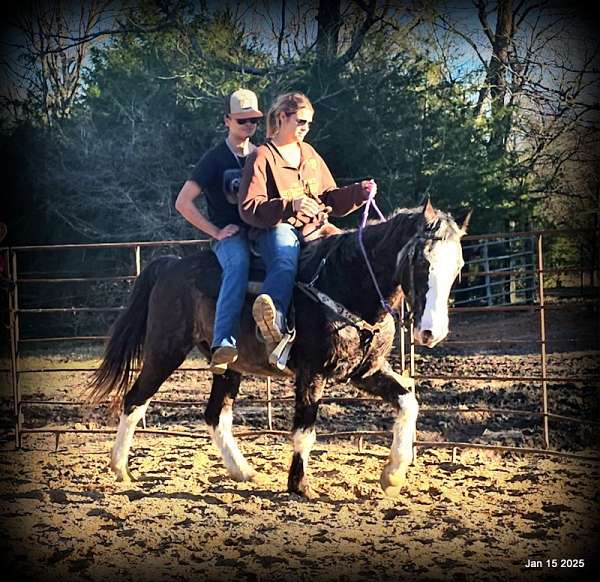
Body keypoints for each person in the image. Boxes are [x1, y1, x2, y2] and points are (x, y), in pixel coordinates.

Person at [238, 91, 377, 357]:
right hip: (276, 228)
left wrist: (358, 192)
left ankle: (357, 322)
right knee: (285, 256)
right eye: (301, 121)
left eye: (309, 123)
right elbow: (249, 207)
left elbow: (330, 199)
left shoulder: (310, 155)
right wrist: (292, 205)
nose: (306, 128)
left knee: (349, 253)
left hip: (317, 227)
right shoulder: (262, 157)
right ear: (282, 117)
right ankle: (273, 320)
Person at [175, 88, 263, 374]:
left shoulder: (262, 155)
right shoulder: (214, 159)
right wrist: (214, 232)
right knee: (237, 264)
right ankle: (223, 341)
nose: (249, 125)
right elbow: (183, 202)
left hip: (262, 231)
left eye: (253, 120)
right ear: (227, 120)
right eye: (242, 121)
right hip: (231, 235)